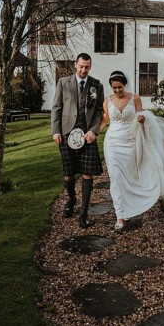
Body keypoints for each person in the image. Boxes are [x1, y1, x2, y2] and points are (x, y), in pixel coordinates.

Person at [100, 70, 164, 230]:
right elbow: (104, 120)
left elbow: (140, 117)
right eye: (114, 88)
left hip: (130, 143)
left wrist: (141, 119)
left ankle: (129, 207)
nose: (117, 91)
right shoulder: (107, 101)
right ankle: (119, 215)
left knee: (129, 176)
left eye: (119, 87)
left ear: (124, 85)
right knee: (115, 178)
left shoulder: (135, 98)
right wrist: (92, 132)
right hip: (113, 143)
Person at [51, 53, 105, 228]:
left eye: (87, 67)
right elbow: (56, 108)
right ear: (75, 65)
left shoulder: (97, 85)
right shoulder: (63, 82)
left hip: (87, 136)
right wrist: (55, 131)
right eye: (81, 66)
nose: (83, 70)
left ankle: (84, 212)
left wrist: (93, 131)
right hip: (66, 134)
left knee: (87, 173)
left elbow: (99, 112)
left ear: (90, 66)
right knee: (68, 173)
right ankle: (72, 200)